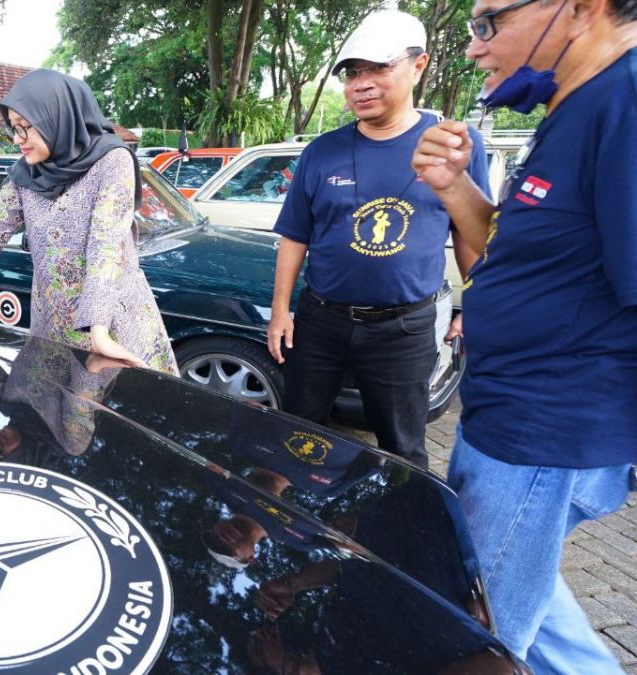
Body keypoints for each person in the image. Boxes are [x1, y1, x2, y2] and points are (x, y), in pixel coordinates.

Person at [411, 0, 637, 670]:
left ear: (579, 9)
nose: (476, 47)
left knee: (476, 635)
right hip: (511, 423)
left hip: (545, 433)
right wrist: (452, 186)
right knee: (528, 600)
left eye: (488, 23)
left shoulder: (624, 106)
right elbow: (517, 249)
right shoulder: (573, 104)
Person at [266, 10, 491, 468]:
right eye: (353, 73)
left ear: (419, 65)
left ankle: (400, 532)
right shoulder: (321, 150)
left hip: (403, 329)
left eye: (378, 68)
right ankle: (287, 520)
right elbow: (295, 236)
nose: (361, 84)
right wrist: (280, 311)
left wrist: (478, 307)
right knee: (297, 430)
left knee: (402, 447)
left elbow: (471, 235)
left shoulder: (449, 143)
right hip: (321, 320)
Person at [0, 69, 177, 376]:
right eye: (13, 129)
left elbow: (105, 246)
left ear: (54, 118)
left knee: (113, 418)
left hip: (112, 327)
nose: (18, 140)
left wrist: (98, 330)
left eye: (24, 128)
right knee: (45, 421)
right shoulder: (25, 176)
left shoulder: (112, 160)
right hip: (53, 330)